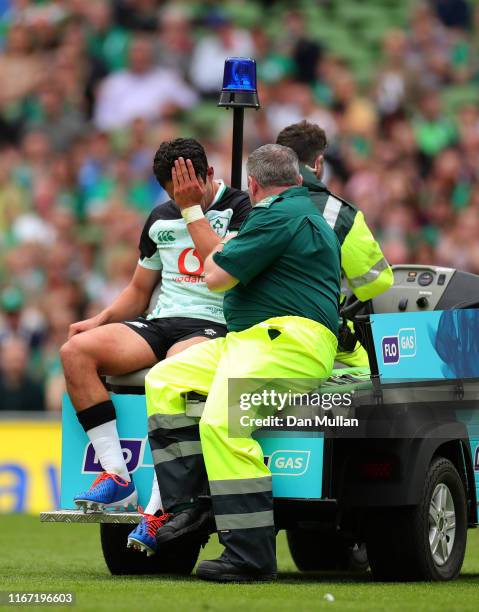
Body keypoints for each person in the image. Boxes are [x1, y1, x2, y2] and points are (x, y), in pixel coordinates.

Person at [143, 144, 341, 582]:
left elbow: (214, 276)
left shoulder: (277, 216)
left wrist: (191, 210)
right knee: (165, 379)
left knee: (222, 421)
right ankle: (190, 507)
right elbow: (221, 259)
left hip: (288, 341)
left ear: (252, 184)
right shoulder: (287, 213)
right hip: (255, 340)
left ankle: (250, 556)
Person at [60, 137, 251, 513]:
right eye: (174, 193)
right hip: (162, 322)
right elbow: (138, 290)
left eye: (188, 190)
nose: (181, 199)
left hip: (215, 325)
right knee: (75, 352)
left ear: (209, 173)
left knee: (171, 373)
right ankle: (116, 475)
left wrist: (192, 209)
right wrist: (97, 321)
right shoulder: (161, 216)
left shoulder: (242, 208)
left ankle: (162, 502)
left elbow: (221, 266)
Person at [276, 121, 393, 366]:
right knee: (382, 375)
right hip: (320, 336)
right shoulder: (339, 214)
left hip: (254, 332)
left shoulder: (251, 203)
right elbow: (376, 281)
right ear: (318, 163)